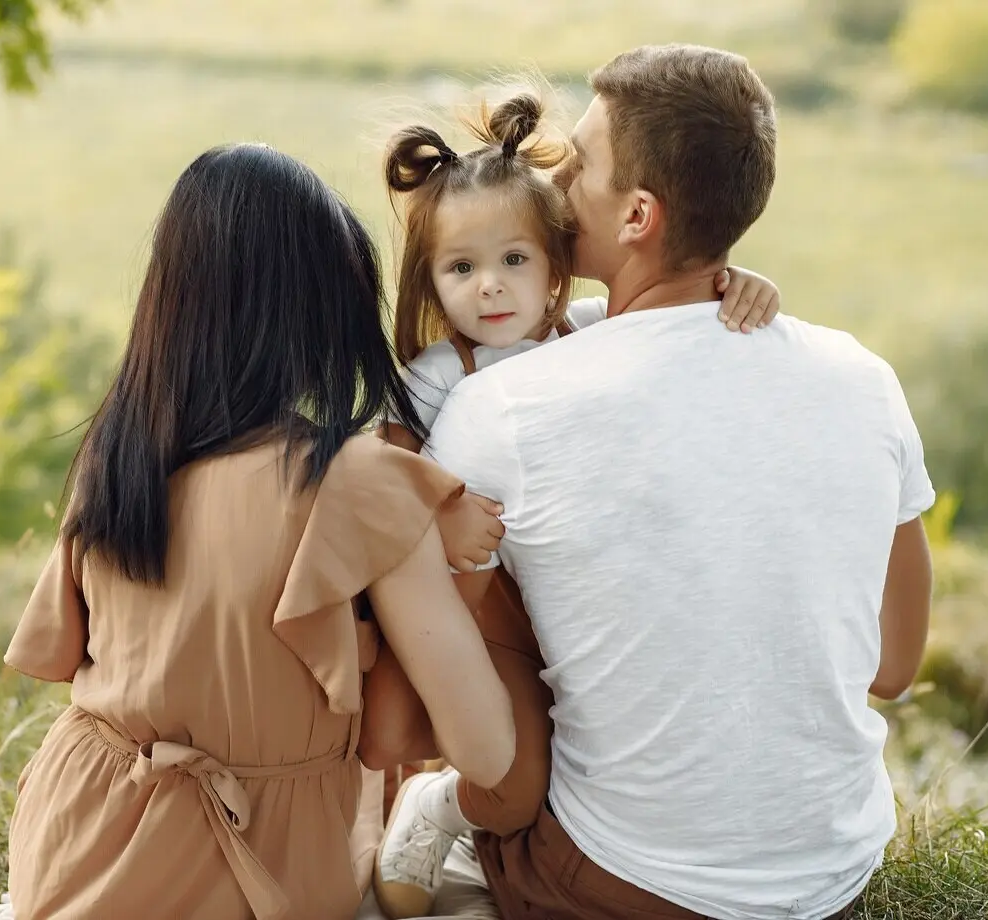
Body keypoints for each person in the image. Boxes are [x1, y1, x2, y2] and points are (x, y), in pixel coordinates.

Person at [375, 44, 935, 920]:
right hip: (835, 867)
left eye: (582, 164)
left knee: (470, 583)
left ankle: (442, 815)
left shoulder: (501, 405)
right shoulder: (865, 375)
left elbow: (437, 660)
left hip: (620, 879)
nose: (556, 184)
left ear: (637, 214)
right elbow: (894, 667)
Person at [0, 143, 517, 920]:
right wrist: (458, 566)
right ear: (320, 316)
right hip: (266, 870)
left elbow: (59, 655)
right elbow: (479, 750)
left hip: (72, 849)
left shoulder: (117, 456)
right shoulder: (358, 483)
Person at [357, 90, 781, 919]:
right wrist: (443, 515)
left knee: (597, 758)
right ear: (431, 282)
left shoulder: (588, 330)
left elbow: (678, 308)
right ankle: (435, 807)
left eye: (515, 260)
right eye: (461, 268)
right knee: (513, 786)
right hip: (489, 616)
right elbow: (380, 483)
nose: (491, 289)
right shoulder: (440, 378)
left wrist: (742, 281)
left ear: (556, 263)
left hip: (585, 607)